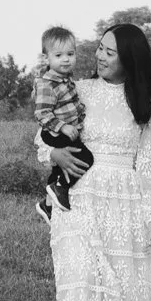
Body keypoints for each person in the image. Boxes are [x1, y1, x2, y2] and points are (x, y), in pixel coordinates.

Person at [38, 21, 151, 301]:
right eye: (99, 48)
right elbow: (43, 131)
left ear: (128, 59)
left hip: (124, 202)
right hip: (79, 194)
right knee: (83, 277)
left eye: (110, 52)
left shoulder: (147, 107)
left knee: (114, 287)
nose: (99, 56)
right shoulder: (79, 89)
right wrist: (54, 154)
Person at [32, 25, 94, 220]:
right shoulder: (47, 84)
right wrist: (63, 126)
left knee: (60, 167)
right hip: (55, 132)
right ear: (46, 58)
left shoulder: (65, 79)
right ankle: (59, 188)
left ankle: (48, 205)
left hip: (65, 130)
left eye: (70, 53)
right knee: (85, 158)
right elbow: (42, 114)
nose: (66, 59)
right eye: (59, 55)